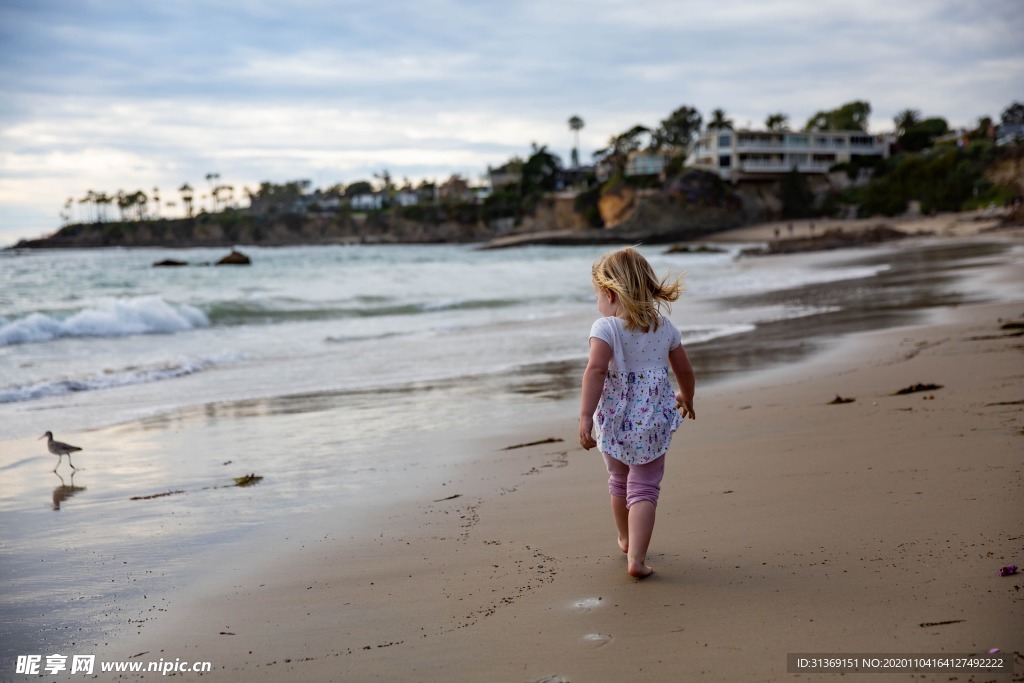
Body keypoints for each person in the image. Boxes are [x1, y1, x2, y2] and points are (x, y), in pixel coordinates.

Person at [579, 247, 696, 579]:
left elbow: (595, 371)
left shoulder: (605, 328)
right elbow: (684, 370)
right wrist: (686, 397)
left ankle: (626, 539)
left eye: (599, 296)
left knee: (618, 479)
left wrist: (585, 416)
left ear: (611, 294)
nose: (598, 304)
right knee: (644, 487)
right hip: (652, 421)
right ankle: (638, 560)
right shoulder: (665, 327)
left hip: (614, 420)